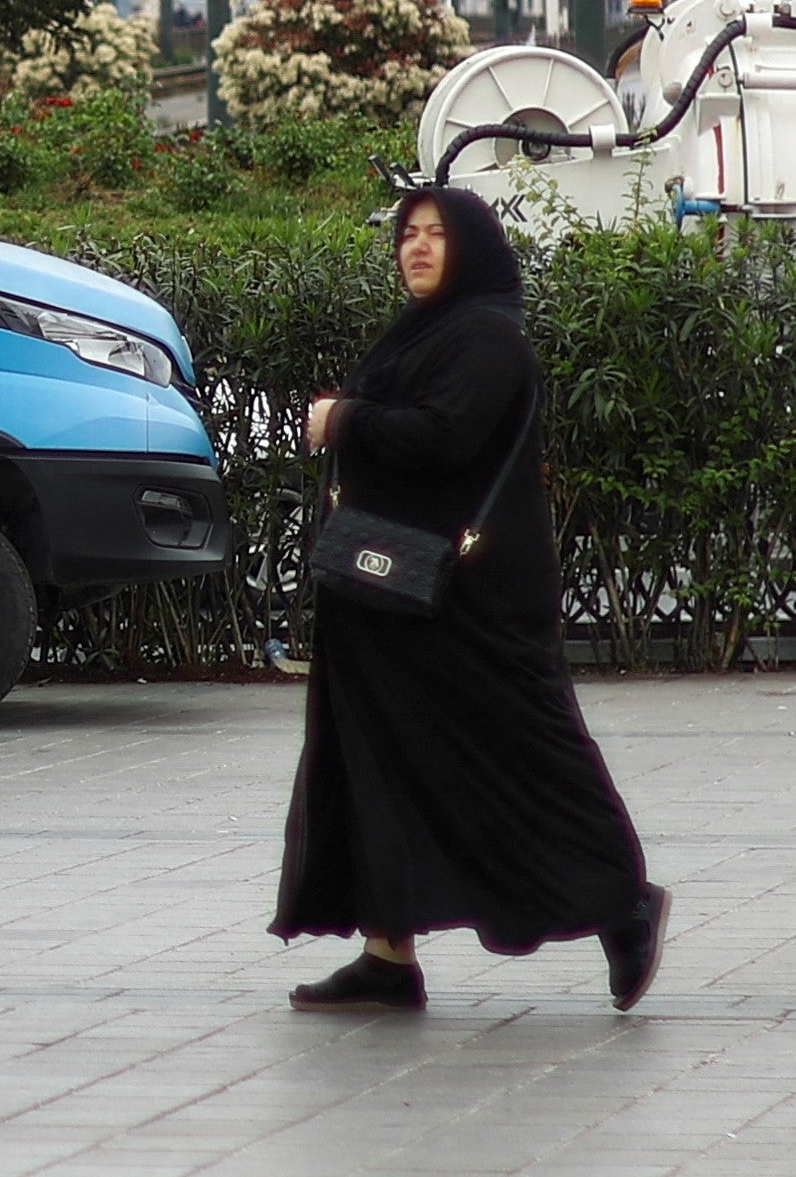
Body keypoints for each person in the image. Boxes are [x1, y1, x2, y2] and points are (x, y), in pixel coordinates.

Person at [277, 184, 668, 1011]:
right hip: (391, 602)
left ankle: (624, 906)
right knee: (378, 766)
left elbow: (443, 434)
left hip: (472, 610)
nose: (417, 248)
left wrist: (344, 420)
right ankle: (388, 955)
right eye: (407, 235)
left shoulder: (488, 339)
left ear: (474, 248)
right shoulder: (425, 333)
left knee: (523, 763)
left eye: (436, 235)